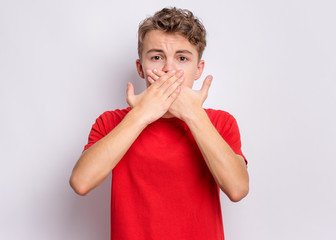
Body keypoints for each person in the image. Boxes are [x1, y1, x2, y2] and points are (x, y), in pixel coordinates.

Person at [70, 7, 249, 240]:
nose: (168, 69)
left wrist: (193, 115)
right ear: (140, 68)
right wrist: (141, 115)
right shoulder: (111, 122)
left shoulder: (220, 122)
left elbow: (237, 189)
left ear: (198, 70)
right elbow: (81, 182)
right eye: (156, 57)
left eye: (182, 58)